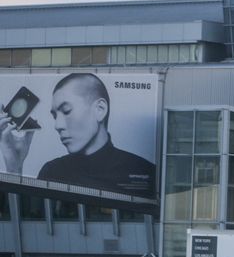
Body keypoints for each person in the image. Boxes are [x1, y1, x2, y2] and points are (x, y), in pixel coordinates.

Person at [0, 74, 155, 198]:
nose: (57, 125)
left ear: (100, 110)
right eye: (55, 116)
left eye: (66, 111)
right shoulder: (52, 172)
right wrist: (14, 169)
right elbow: (27, 226)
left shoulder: (144, 171)